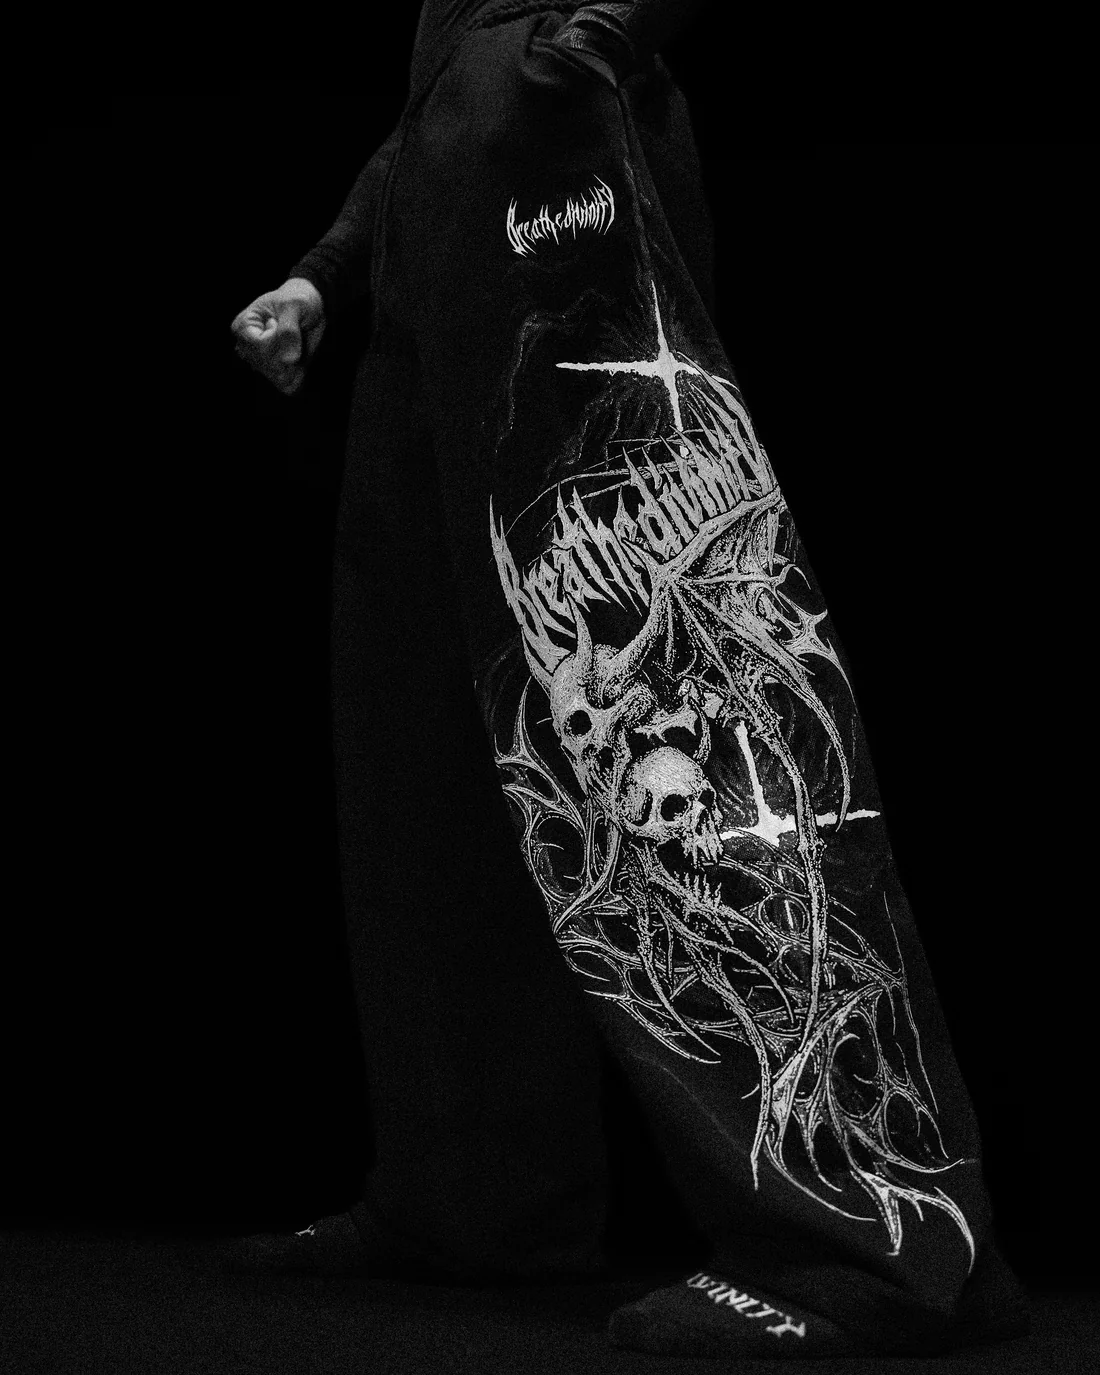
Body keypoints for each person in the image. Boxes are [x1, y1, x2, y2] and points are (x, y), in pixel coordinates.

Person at [229, 1, 1030, 1358]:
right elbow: (444, 76)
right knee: (434, 743)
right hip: (459, 189)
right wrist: (331, 269)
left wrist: (610, 28)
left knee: (689, 712)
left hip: (564, 146)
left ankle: (872, 1240)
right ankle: (475, 1201)